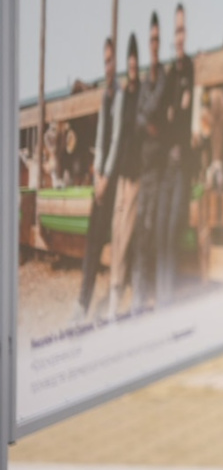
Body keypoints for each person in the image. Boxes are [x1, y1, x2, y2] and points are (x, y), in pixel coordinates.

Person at [72, 37, 118, 324]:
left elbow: (116, 140)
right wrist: (97, 176)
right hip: (100, 181)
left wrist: (106, 178)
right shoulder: (104, 96)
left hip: (115, 184)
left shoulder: (120, 96)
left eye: (111, 60)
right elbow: (101, 142)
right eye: (105, 61)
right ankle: (82, 303)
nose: (108, 66)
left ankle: (111, 306)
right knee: (92, 244)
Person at [156, 3, 194, 306]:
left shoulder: (189, 69)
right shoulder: (171, 75)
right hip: (167, 161)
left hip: (183, 163)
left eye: (182, 30)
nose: (179, 36)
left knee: (172, 225)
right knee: (162, 224)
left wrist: (175, 114)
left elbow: (181, 114)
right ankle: (162, 291)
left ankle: (167, 294)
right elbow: (166, 114)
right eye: (176, 30)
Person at [106, 32, 142, 319]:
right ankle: (115, 287)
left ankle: (117, 289)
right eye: (129, 66)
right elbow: (117, 135)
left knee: (126, 230)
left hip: (137, 174)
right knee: (116, 232)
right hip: (121, 174)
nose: (132, 71)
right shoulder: (124, 95)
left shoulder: (140, 93)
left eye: (134, 65)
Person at [134, 12, 167, 310]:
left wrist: (145, 115)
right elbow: (139, 117)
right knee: (141, 228)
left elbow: (154, 105)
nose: (155, 44)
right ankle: (141, 291)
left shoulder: (163, 78)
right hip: (143, 167)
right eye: (152, 39)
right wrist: (147, 119)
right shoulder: (147, 80)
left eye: (158, 39)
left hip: (159, 167)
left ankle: (153, 292)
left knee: (153, 227)